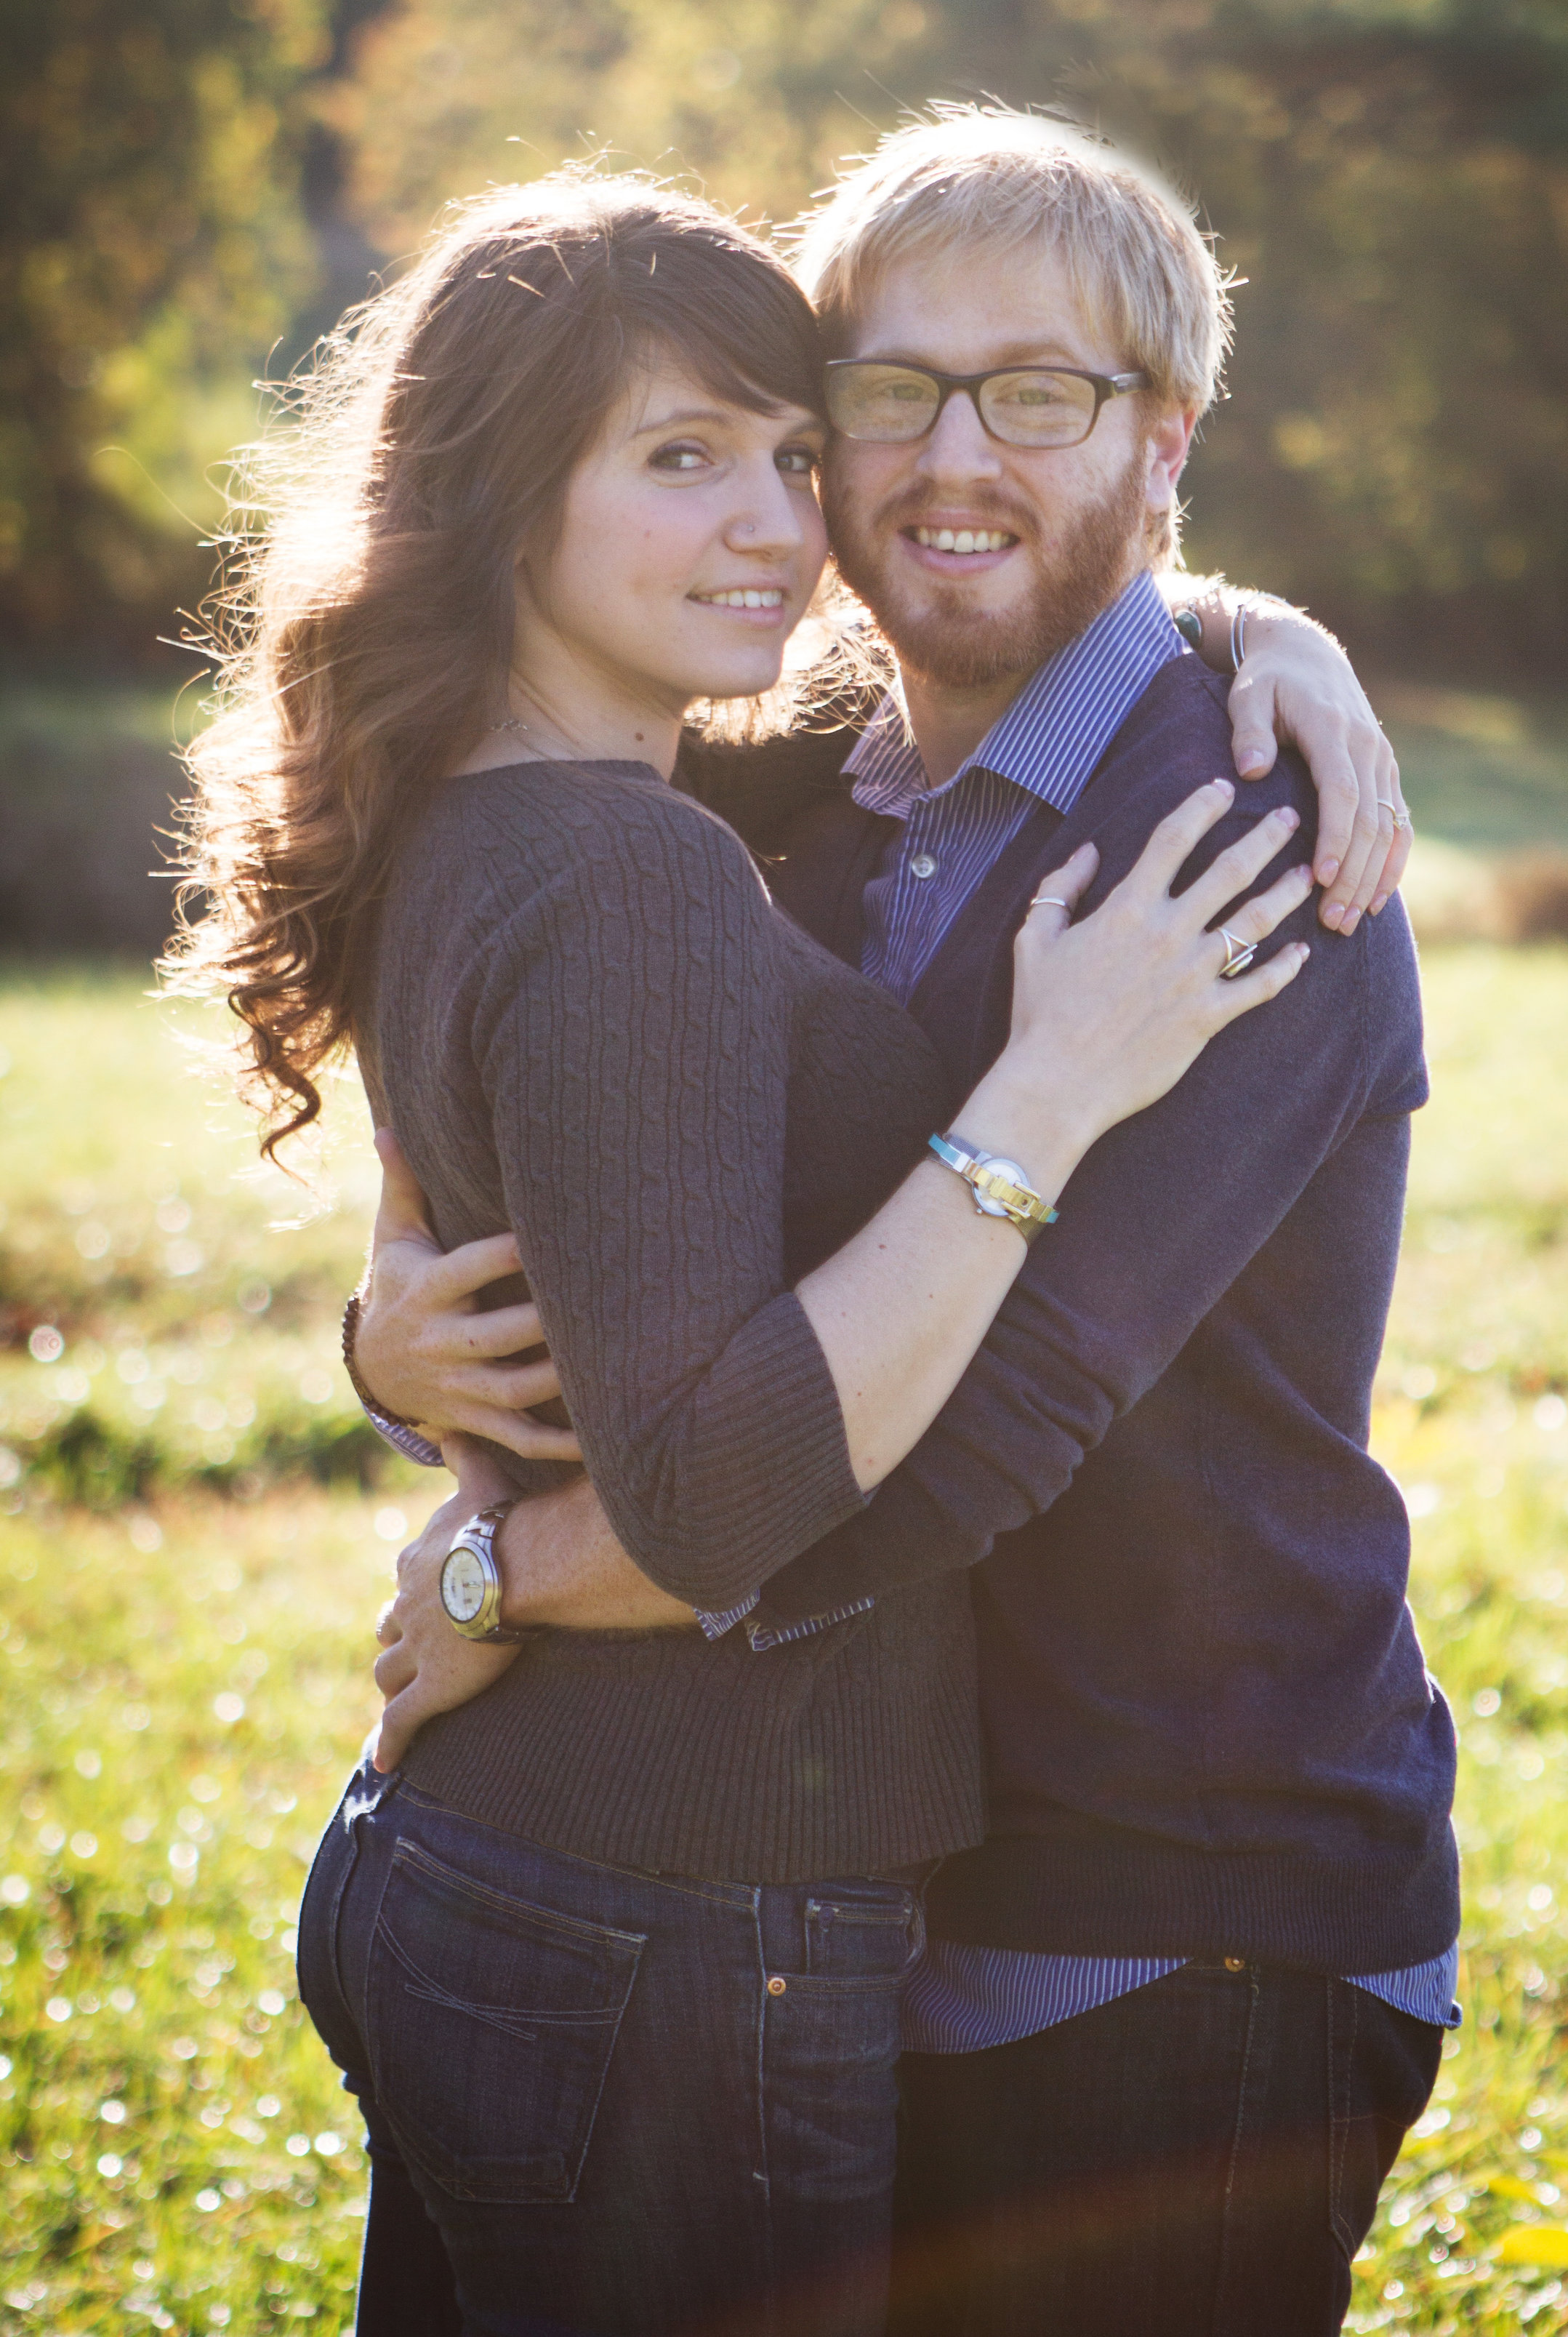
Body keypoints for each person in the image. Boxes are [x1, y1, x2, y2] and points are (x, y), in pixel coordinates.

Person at [167, 164, 1320, 2337]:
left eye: (795, 458)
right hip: (669, 1908)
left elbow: (1029, 642)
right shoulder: (641, 879)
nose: (778, 533)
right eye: (683, 461)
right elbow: (710, 1505)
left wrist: (1264, 630)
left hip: (499, 1869)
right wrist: (1042, 1094)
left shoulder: (505, 813)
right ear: (504, 499)